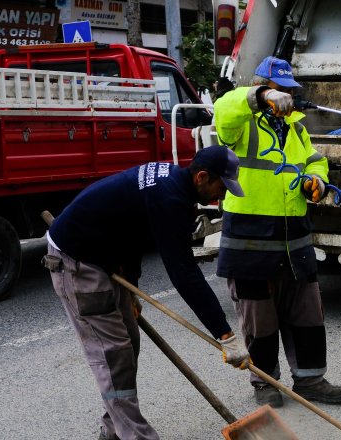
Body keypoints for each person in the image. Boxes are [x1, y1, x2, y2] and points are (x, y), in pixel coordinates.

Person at [43, 145, 253, 440]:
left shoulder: (173, 182)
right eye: (221, 187)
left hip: (104, 255)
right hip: (77, 263)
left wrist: (132, 290)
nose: (222, 197)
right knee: (114, 355)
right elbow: (184, 274)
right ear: (202, 177)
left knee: (128, 343)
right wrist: (225, 335)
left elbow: (133, 230)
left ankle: (113, 427)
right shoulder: (170, 199)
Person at [213, 56, 341, 408]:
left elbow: (315, 160)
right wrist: (259, 97)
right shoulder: (242, 125)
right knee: (259, 320)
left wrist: (317, 180)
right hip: (251, 239)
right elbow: (224, 109)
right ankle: (265, 383)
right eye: (280, 92)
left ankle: (311, 380)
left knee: (307, 313)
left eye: (289, 92)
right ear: (264, 90)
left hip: (294, 239)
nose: (287, 100)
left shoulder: (298, 129)